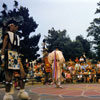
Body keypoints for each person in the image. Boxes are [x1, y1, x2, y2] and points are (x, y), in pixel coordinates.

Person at [1, 20, 31, 100]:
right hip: (9, 55)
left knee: (23, 74)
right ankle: (7, 95)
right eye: (10, 25)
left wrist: (19, 57)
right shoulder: (7, 35)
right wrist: (3, 57)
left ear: (16, 27)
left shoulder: (17, 37)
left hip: (16, 56)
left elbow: (17, 49)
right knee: (8, 77)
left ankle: (22, 92)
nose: (10, 26)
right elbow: (3, 47)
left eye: (12, 25)